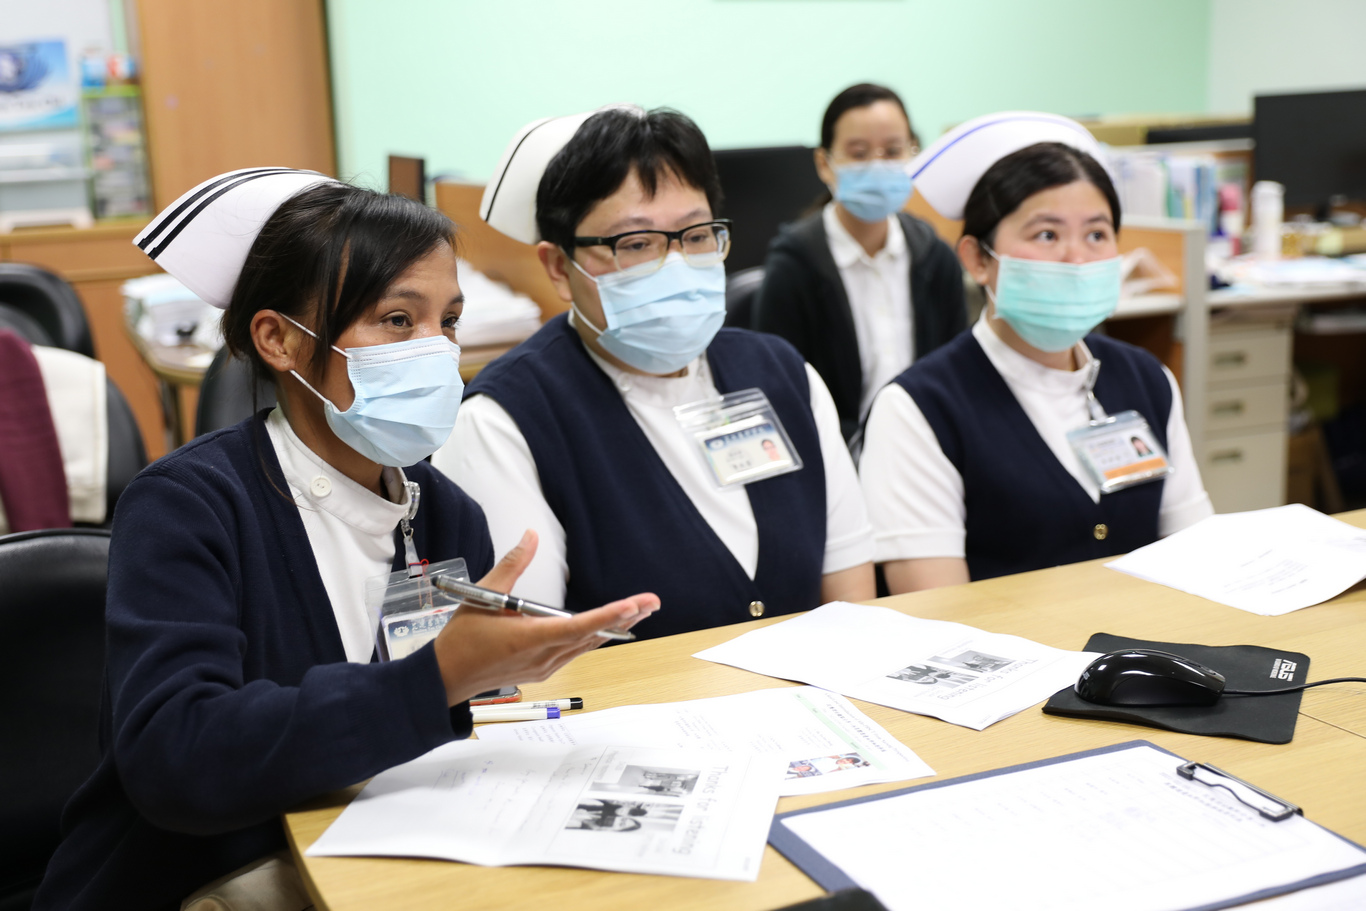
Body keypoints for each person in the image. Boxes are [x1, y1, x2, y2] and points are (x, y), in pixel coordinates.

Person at [34, 170, 657, 911]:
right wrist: (435, 680)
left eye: (448, 321)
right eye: (398, 321)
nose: (436, 351)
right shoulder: (187, 506)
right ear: (280, 340)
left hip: (380, 866)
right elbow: (179, 758)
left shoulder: (447, 511)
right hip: (195, 883)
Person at [434, 106, 875, 638]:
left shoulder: (784, 376)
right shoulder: (506, 421)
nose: (675, 264)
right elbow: (527, 659)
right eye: (636, 244)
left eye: (695, 236)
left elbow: (851, 604)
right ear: (559, 267)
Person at [859, 113, 1214, 594]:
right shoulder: (918, 410)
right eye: (1047, 235)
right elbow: (936, 616)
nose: (1077, 258)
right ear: (978, 259)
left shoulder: (1146, 378)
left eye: (1096, 234)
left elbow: (1199, 558)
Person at [752, 83, 967, 445]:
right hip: (837, 452)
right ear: (825, 164)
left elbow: (957, 373)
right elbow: (781, 389)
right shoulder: (794, 266)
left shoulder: (935, 257)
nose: (878, 165)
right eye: (859, 153)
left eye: (893, 151)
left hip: (931, 444)